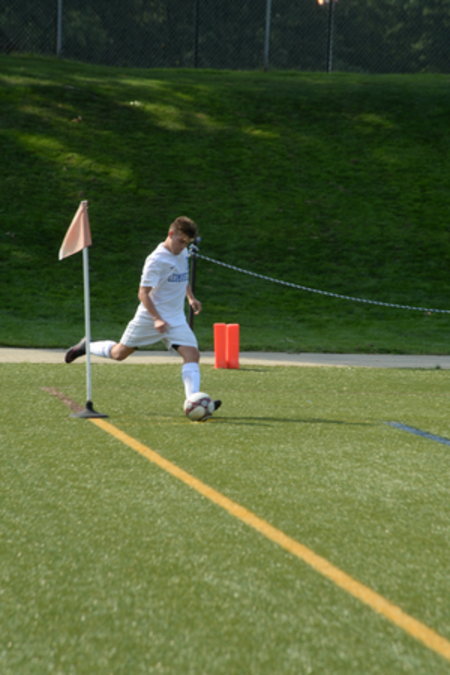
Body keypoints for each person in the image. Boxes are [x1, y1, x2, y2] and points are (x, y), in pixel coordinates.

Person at [65, 216, 221, 416]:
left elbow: (182, 277)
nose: (183, 246)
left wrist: (190, 298)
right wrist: (156, 318)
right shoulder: (156, 260)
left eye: (187, 243)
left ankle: (193, 402)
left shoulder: (182, 253)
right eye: (181, 241)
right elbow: (143, 294)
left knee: (192, 354)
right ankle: (87, 346)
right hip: (149, 317)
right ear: (171, 234)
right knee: (119, 354)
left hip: (175, 318)